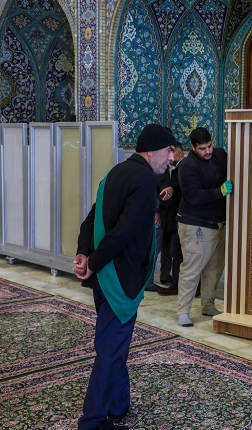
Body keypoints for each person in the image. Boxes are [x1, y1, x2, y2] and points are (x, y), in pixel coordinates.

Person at [73, 124, 175, 430]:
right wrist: (92, 261)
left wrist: (84, 254)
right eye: (169, 151)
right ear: (152, 151)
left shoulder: (115, 172)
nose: (171, 158)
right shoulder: (145, 179)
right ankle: (92, 421)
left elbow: (91, 218)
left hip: (104, 278)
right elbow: (124, 231)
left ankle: (118, 405)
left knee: (114, 346)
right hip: (121, 278)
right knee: (110, 350)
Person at [175, 127, 232, 327]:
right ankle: (183, 312)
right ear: (193, 147)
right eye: (202, 148)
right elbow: (193, 196)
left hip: (219, 223)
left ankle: (208, 305)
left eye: (209, 146)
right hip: (195, 224)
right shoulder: (187, 166)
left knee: (214, 268)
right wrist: (220, 192)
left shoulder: (220, 155)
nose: (207, 151)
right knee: (192, 269)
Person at [157, 141, 184, 295]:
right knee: (169, 248)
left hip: (176, 217)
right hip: (167, 215)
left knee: (176, 251)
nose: (170, 157)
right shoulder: (169, 168)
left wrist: (172, 188)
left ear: (179, 152)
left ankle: (175, 283)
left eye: (171, 152)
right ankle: (169, 279)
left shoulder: (183, 167)